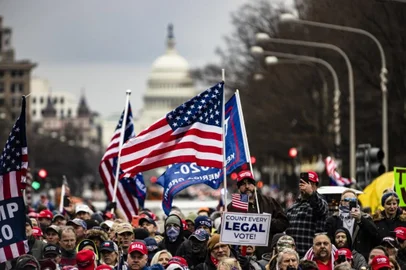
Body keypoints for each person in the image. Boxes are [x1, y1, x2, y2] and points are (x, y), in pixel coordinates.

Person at [227, 170, 289, 257]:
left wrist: (266, 222)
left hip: (266, 254)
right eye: (243, 184)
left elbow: (283, 223)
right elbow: (228, 234)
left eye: (250, 183)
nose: (247, 186)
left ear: (255, 185)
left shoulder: (269, 202)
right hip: (242, 256)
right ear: (238, 187)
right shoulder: (233, 206)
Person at [326, 189, 378, 260]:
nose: (350, 203)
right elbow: (329, 241)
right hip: (339, 257)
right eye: (347, 200)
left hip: (360, 257)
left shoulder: (365, 217)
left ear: (356, 202)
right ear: (341, 202)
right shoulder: (333, 219)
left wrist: (360, 219)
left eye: (353, 200)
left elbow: (375, 235)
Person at [286, 171, 329, 257]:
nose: (306, 186)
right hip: (294, 256)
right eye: (303, 182)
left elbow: (319, 207)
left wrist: (311, 194)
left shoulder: (321, 202)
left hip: (312, 256)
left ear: (316, 187)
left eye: (310, 184)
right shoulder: (293, 206)